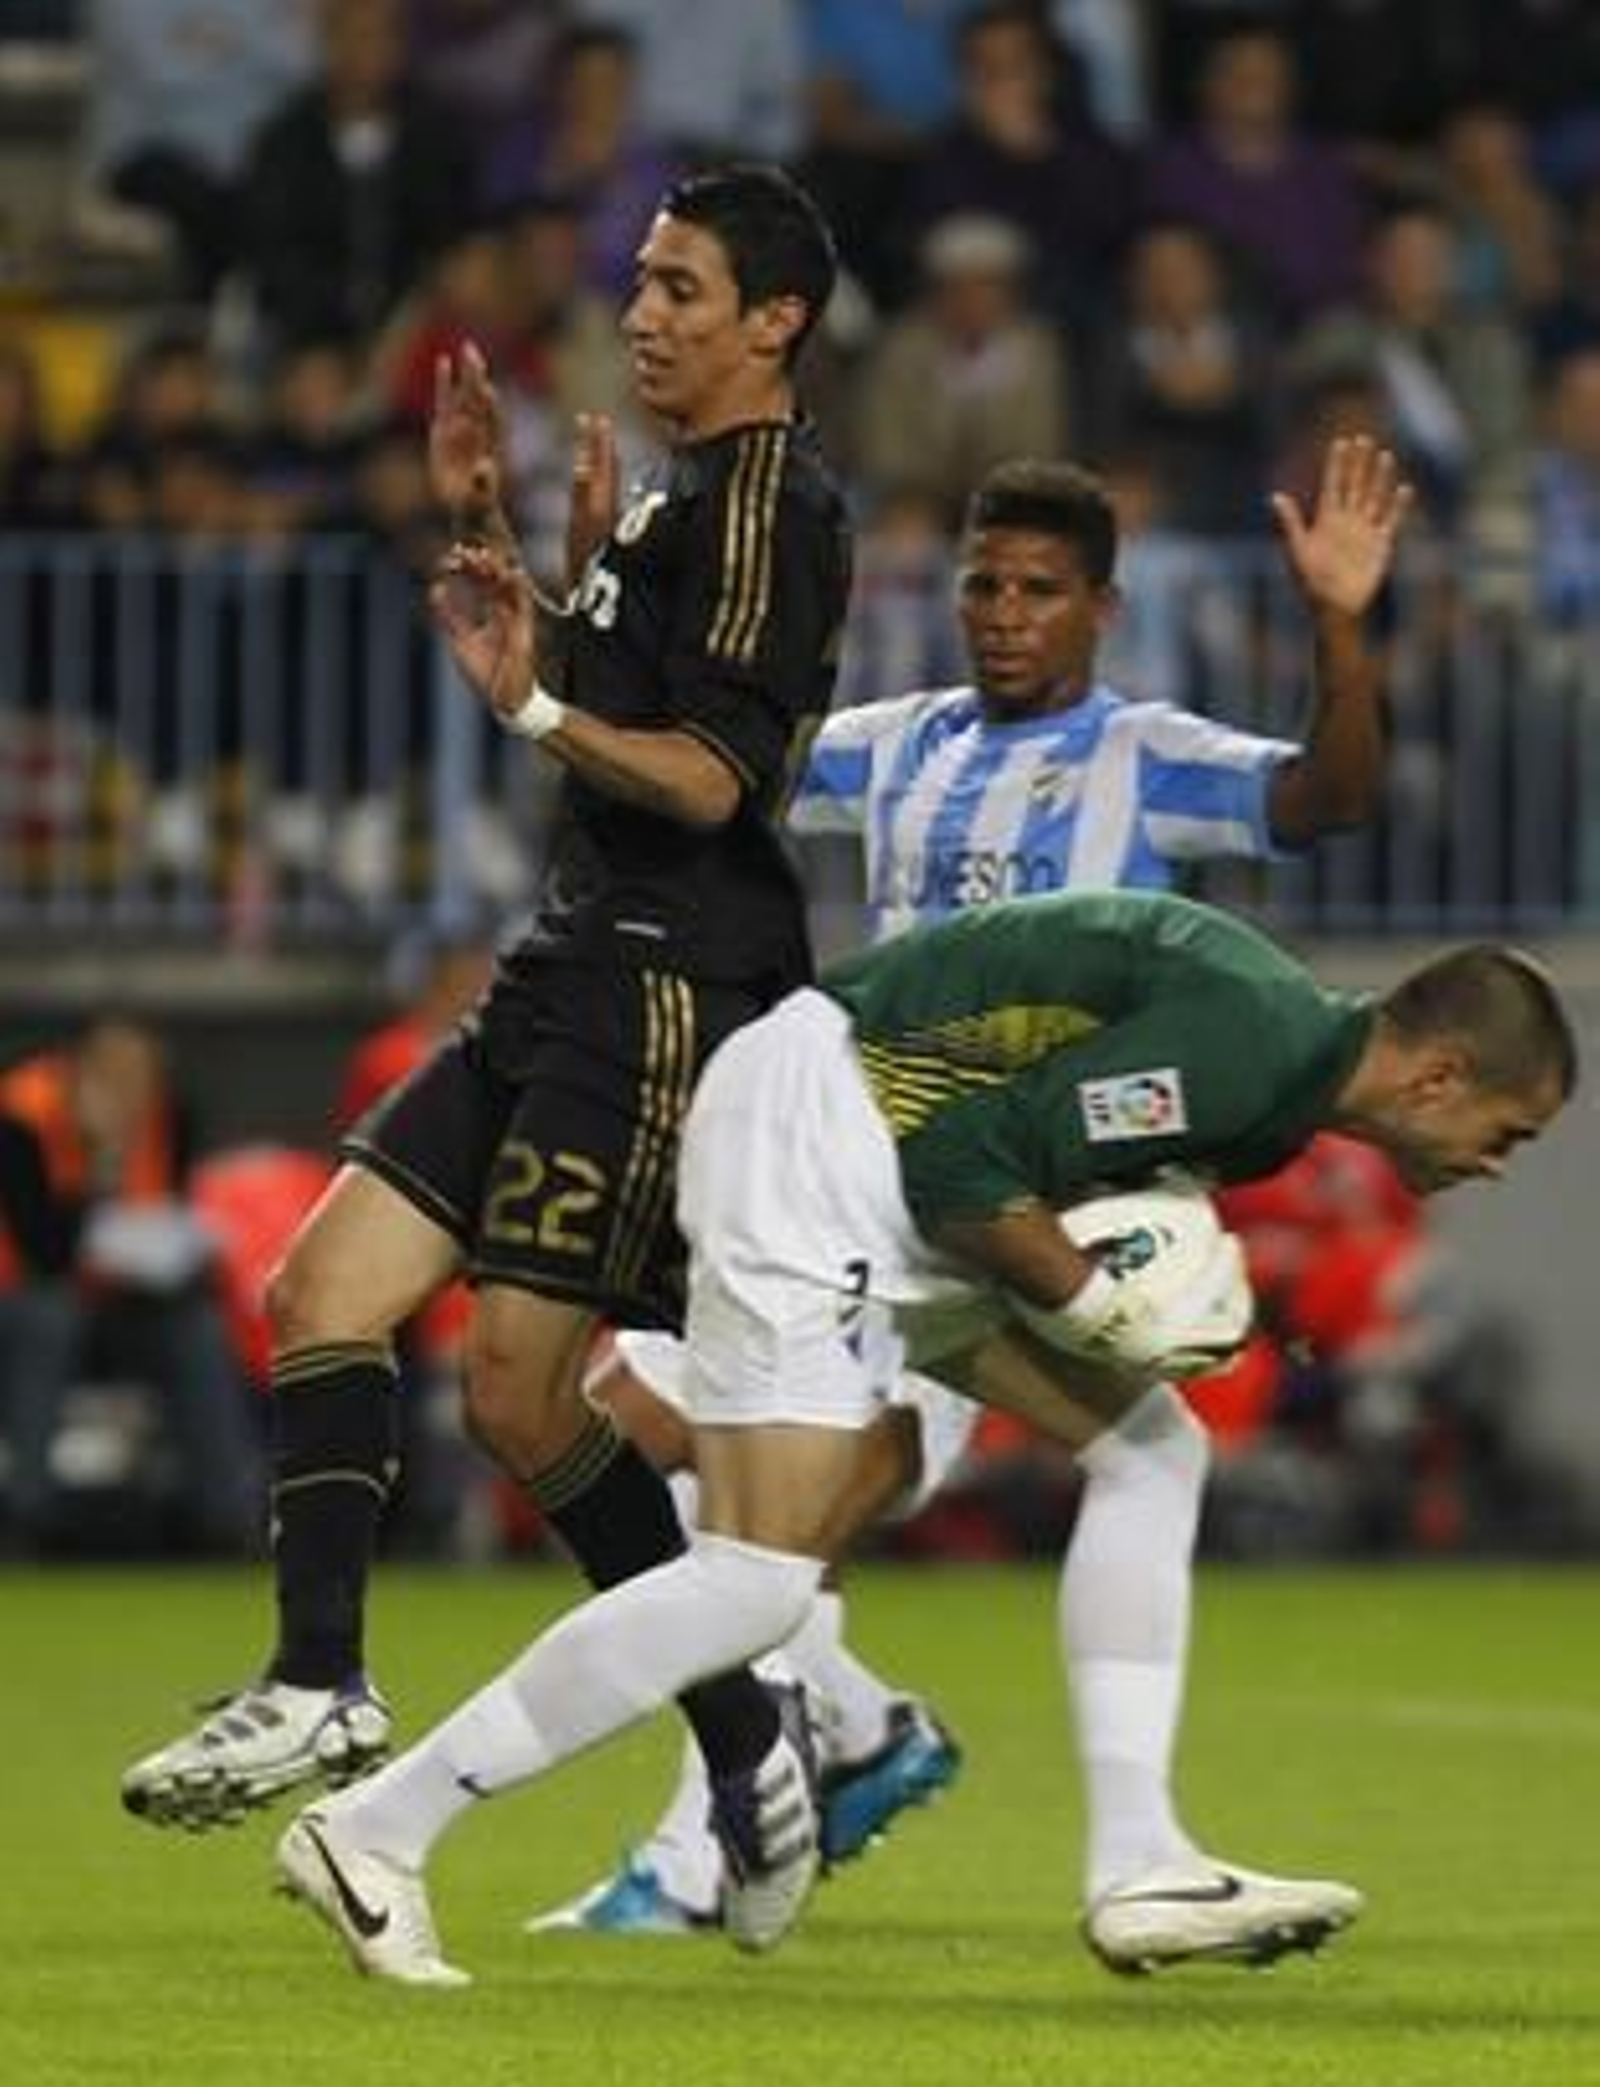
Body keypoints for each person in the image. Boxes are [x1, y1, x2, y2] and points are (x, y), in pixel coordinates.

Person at [271, 891, 1574, 1985]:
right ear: (1443, 1073)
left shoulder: (1278, 1060)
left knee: (1152, 1449)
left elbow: (1009, 1148)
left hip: (874, 1160)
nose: (1500, 1160)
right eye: (1505, 1129)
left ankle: (1140, 1862)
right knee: (758, 1580)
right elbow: (965, 1164)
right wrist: (1090, 1293)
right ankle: (377, 1829)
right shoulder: (1262, 1052)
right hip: (826, 1143)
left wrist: (1105, 1278)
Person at [536, 433, 1414, 1939]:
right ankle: (860, 1732)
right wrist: (613, 579)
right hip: (848, 1166)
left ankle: (712, 1847)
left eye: (1040, 590)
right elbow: (701, 756)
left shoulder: (1156, 756)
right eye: (983, 585)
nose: (1005, 613)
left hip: (998, 1194)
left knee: (760, 1500)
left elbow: (1330, 798)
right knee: (654, 1439)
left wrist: (1338, 621)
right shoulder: (898, 742)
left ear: (1101, 611)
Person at [121, 164, 854, 1879]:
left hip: (674, 979)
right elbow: (619, 704)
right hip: (571, 953)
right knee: (321, 1288)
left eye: (682, 289)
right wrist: (520, 563)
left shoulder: (769, 506)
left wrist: (530, 693)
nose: (640, 316)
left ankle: (754, 1742)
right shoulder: (677, 506)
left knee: (521, 1395)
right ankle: (319, 1679)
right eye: (643, 285)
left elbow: (714, 774)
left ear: (777, 321)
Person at [0, 1017, 260, 1555]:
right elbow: (44, 1251)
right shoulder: (23, 1112)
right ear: (78, 1072)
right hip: (28, 1302)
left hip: (126, 1303)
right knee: (51, 1320)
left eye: (140, 1075)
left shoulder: (171, 1114)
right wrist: (102, 1159)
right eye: (112, 1073)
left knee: (200, 1330)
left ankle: (226, 1520)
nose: (129, 1089)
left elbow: (173, 1220)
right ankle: (29, 1518)